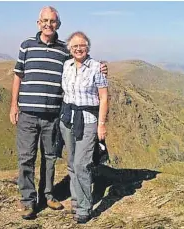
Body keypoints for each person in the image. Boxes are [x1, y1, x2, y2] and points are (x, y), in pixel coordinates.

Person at [9, 6, 108, 220]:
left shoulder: (65, 49)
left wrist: (102, 67)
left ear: (58, 25)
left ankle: (47, 195)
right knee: (26, 158)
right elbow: (18, 76)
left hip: (54, 114)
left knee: (50, 158)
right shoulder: (26, 45)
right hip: (27, 113)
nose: (48, 24)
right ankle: (28, 201)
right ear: (38, 23)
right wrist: (13, 105)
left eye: (52, 21)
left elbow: (80, 62)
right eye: (44, 21)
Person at [59, 31, 109, 224]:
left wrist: (101, 125)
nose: (78, 49)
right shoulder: (67, 65)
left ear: (88, 47)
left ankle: (85, 207)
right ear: (69, 49)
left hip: (88, 119)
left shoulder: (97, 67)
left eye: (82, 46)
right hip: (68, 119)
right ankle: (76, 200)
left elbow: (104, 97)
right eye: (74, 46)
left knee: (82, 164)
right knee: (72, 163)